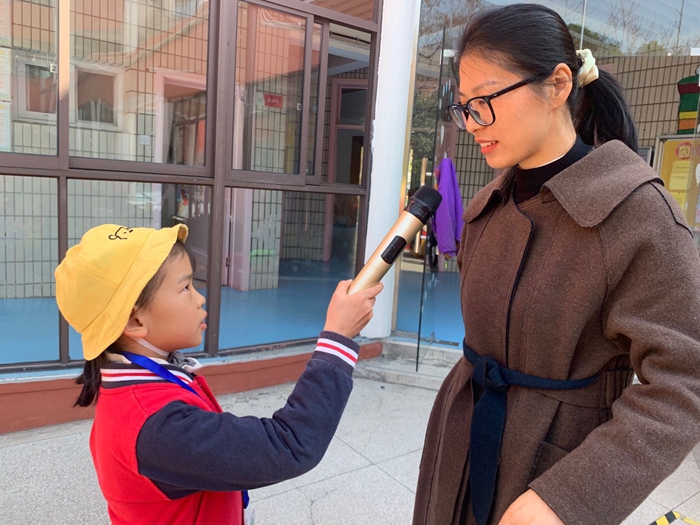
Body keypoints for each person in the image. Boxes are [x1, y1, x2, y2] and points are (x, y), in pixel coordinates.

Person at [413, 4, 700, 525]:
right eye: (464, 106)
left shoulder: (638, 215)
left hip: (553, 468)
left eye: (486, 100)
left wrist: (570, 498)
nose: (473, 122)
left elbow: (684, 383)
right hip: (458, 446)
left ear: (559, 84)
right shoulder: (485, 208)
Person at [54, 223, 382, 525]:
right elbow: (292, 443)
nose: (200, 298)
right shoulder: (157, 427)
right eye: (185, 288)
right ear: (135, 321)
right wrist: (338, 337)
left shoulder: (143, 386)